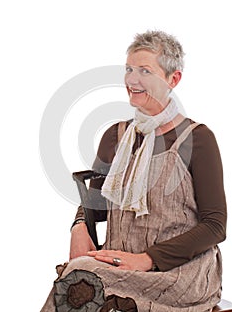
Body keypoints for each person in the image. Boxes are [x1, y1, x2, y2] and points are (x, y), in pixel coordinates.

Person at [41, 30, 227, 312]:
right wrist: (79, 226)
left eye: (145, 71)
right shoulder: (115, 136)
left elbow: (215, 225)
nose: (132, 80)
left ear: (172, 79)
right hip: (120, 264)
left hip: (179, 273)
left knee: (79, 280)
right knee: (78, 281)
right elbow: (96, 206)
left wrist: (148, 259)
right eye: (129, 69)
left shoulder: (197, 139)